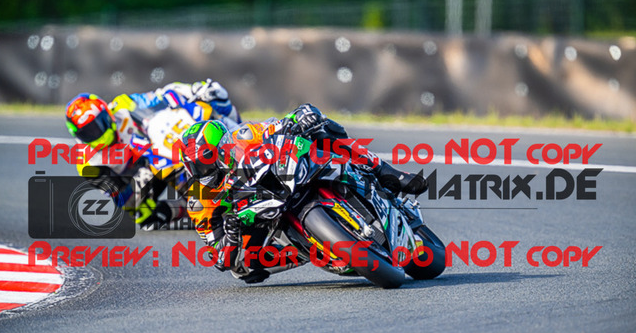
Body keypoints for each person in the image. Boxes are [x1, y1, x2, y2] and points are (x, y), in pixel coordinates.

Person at [180, 103, 427, 283]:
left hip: (282, 178)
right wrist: (232, 235)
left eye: (207, 159)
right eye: (196, 166)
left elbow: (276, 125)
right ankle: (312, 248)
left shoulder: (243, 137)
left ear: (224, 147)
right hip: (257, 220)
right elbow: (220, 258)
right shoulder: (199, 201)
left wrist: (300, 117)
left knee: (320, 129)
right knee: (242, 268)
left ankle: (386, 172)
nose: (204, 169)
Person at [64, 78, 241, 229]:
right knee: (149, 216)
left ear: (106, 114)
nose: (97, 134)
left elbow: (160, 96)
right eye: (87, 132)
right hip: (139, 186)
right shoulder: (88, 164)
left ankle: (239, 136)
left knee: (214, 95)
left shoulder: (122, 105)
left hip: (156, 149)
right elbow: (120, 199)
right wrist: (141, 173)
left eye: (98, 125)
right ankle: (197, 208)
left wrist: (192, 91)